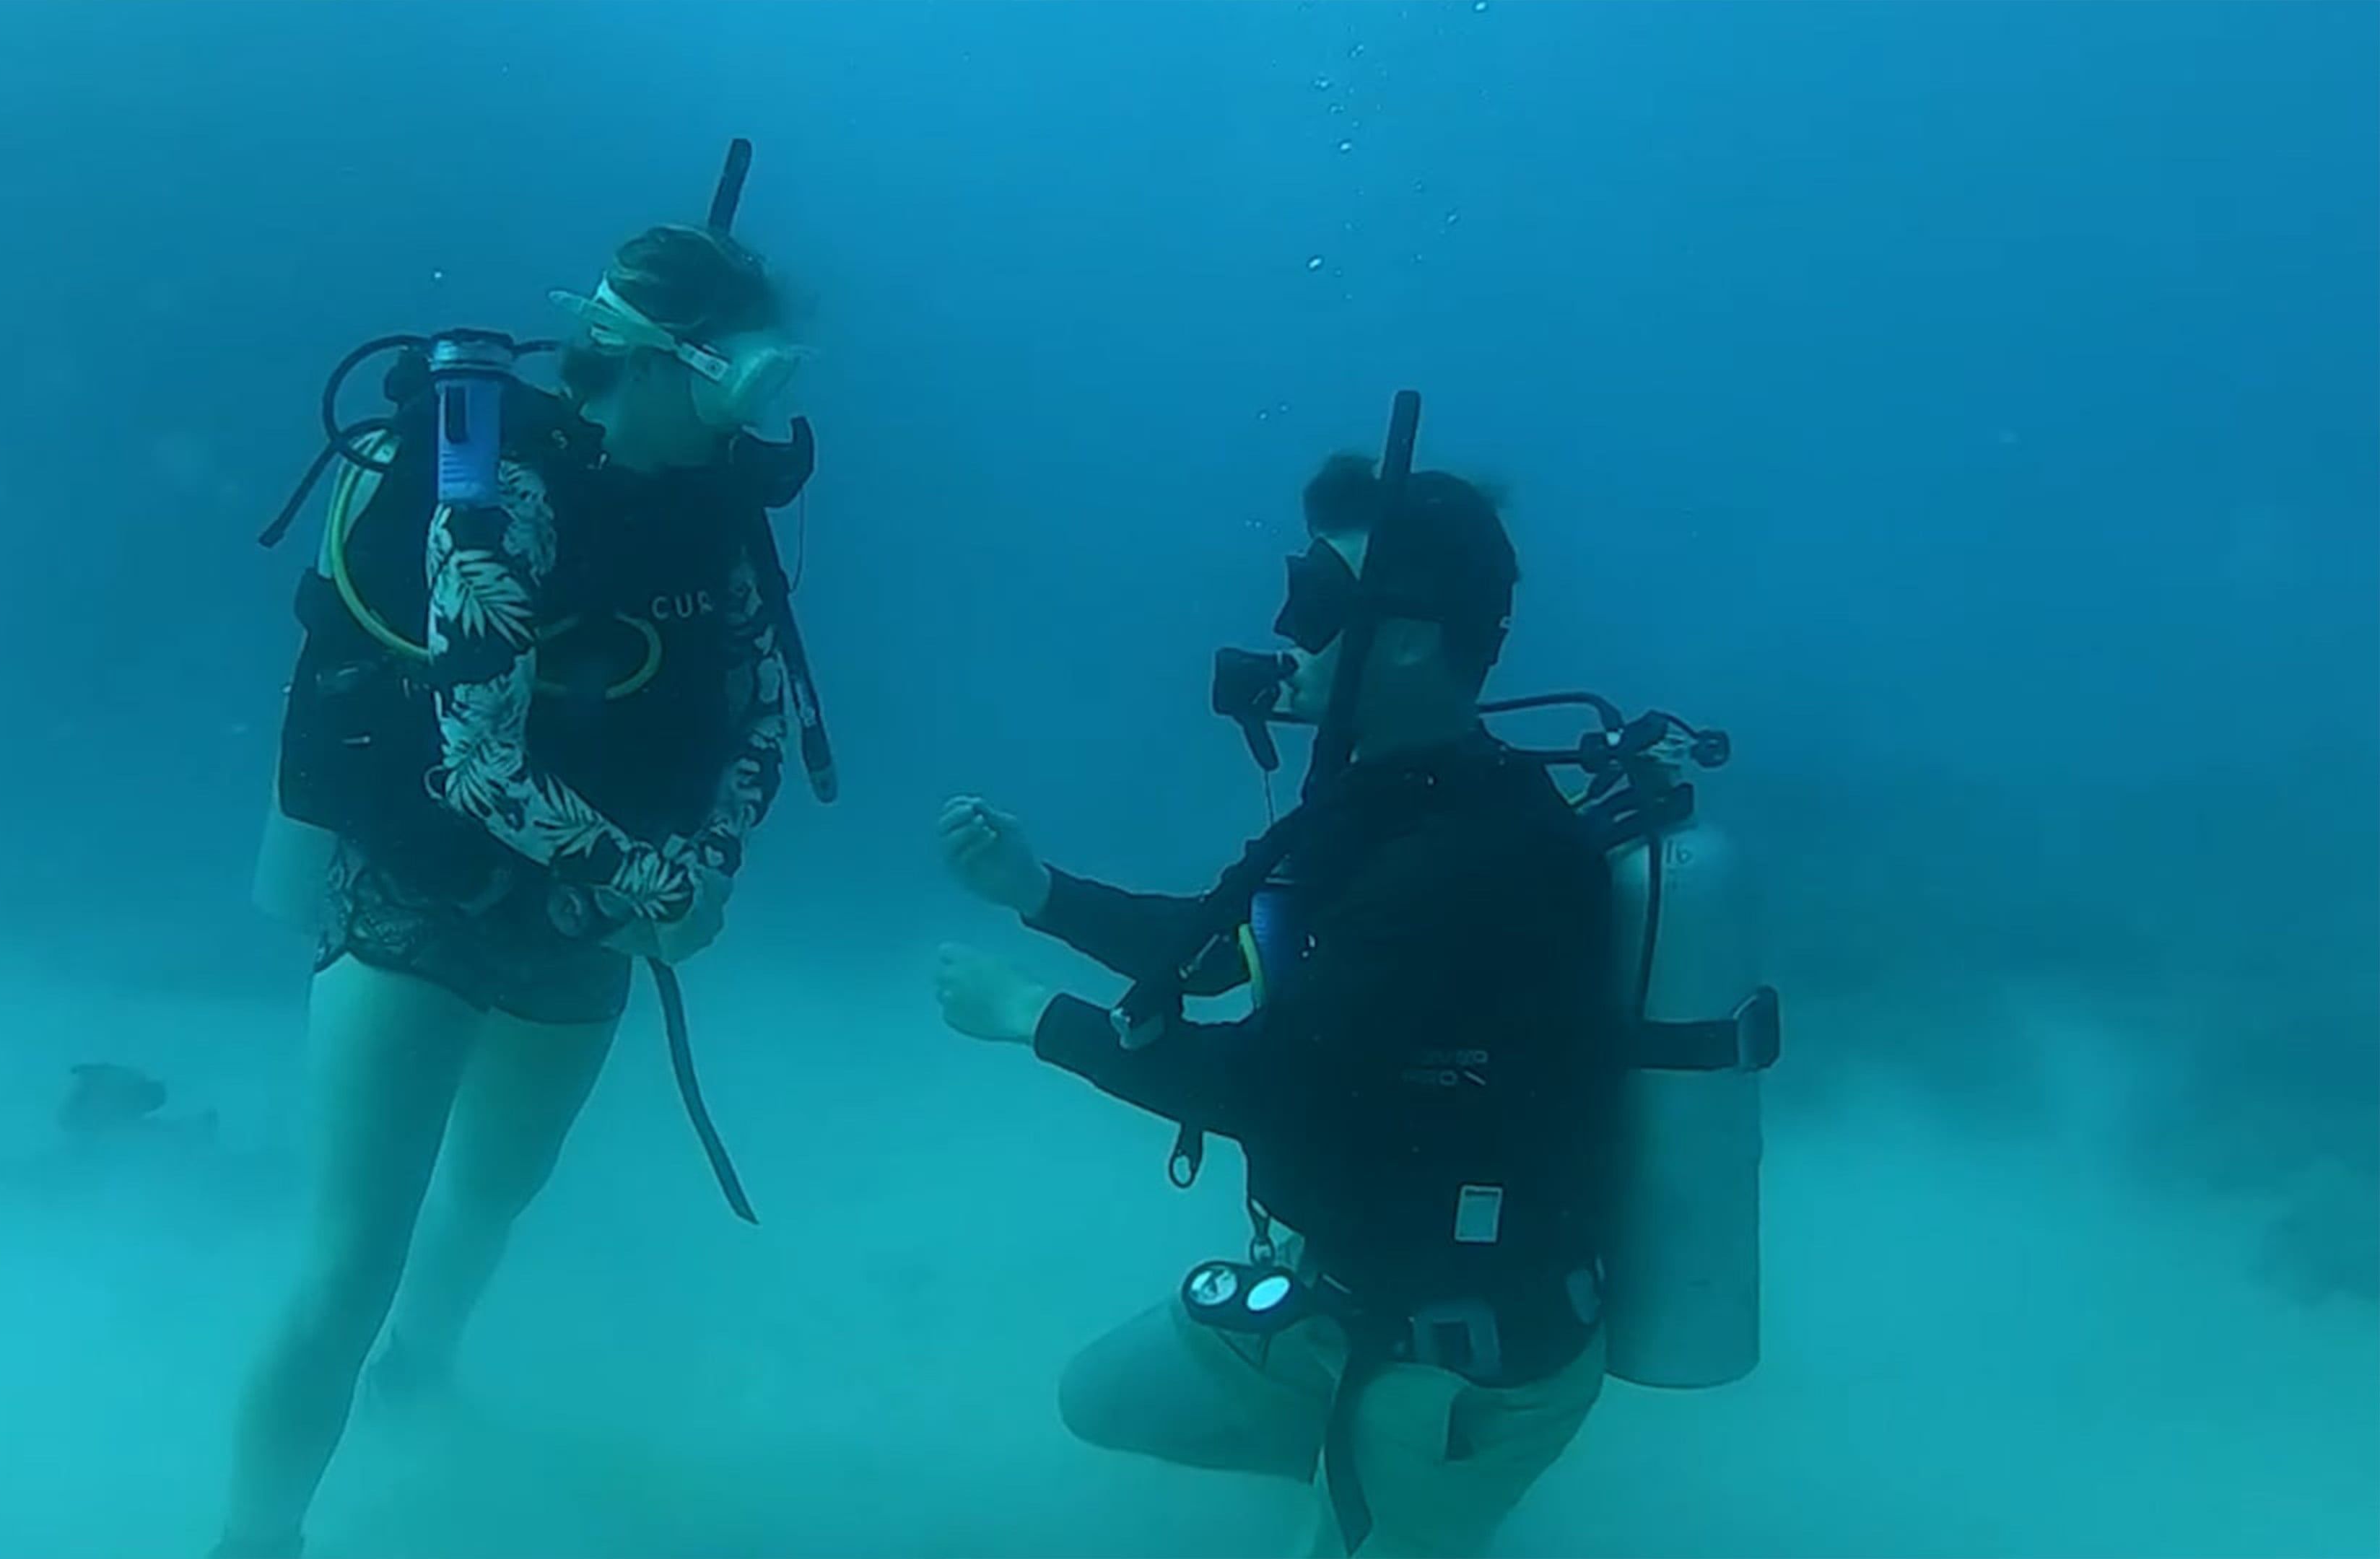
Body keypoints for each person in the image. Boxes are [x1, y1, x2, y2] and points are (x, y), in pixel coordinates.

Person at [215, 214, 822, 1559]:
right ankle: (254, 1539)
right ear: (661, 362)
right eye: (746, 377)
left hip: (590, 924)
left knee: (495, 1196)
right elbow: (476, 762)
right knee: (349, 1264)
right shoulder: (498, 490)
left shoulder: (717, 507)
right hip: (417, 903)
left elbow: (758, 716)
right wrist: (662, 881)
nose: (760, 411)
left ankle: (422, 1379)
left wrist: (699, 876)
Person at [933, 451, 1621, 1558]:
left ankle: (1427, 1496)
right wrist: (1037, 891)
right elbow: (1230, 949)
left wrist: (1030, 1016)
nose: (1284, 626)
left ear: (1401, 636)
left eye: (1316, 600)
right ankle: (1343, 1464)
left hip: (1452, 1364)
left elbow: (1266, 1088)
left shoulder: (1475, 860)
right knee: (1102, 1400)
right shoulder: (1383, 806)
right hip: (1342, 1294)